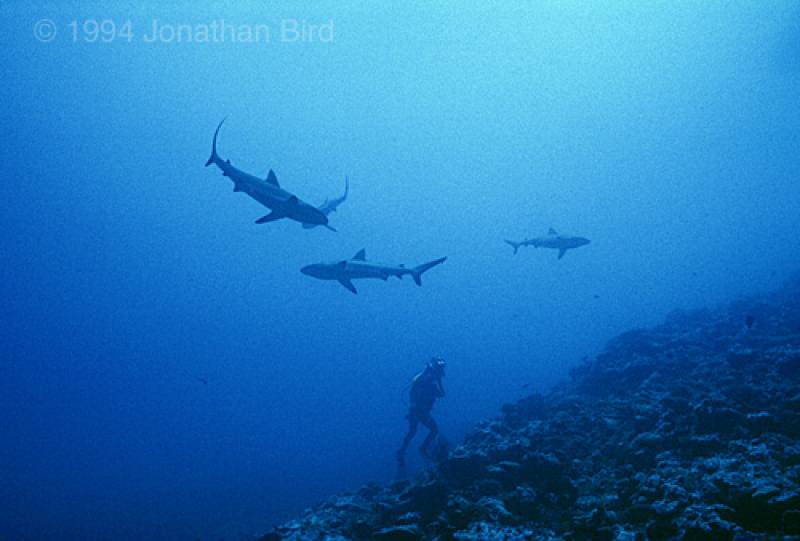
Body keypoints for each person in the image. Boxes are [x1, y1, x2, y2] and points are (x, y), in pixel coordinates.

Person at [397, 357, 446, 465]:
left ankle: (402, 450)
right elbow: (441, 393)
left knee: (413, 431)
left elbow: (441, 394)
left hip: (415, 411)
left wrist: (438, 380)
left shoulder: (428, 382)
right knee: (434, 430)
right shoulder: (424, 381)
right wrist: (437, 380)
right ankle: (422, 448)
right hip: (419, 412)